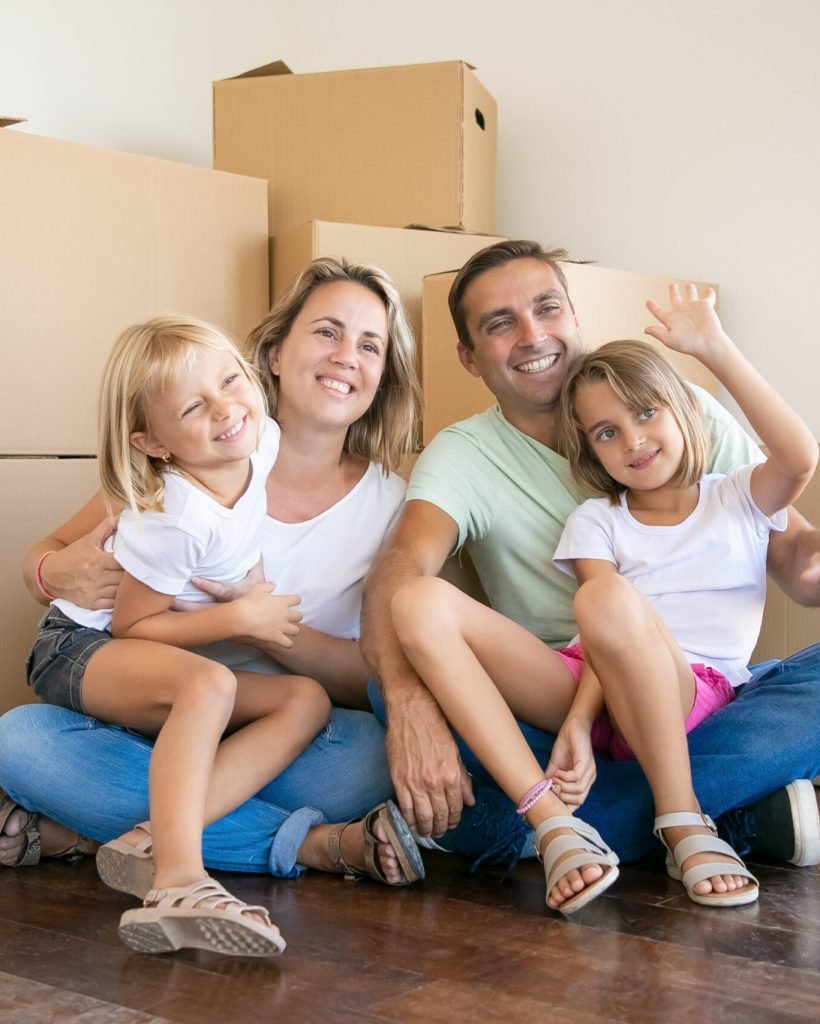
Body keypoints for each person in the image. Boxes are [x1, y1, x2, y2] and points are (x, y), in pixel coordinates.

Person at [361, 239, 820, 884]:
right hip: (561, 695)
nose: (532, 335)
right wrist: (410, 700)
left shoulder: (682, 407)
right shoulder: (475, 459)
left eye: (546, 308)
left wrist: (810, 569)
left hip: (698, 692)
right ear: (467, 357)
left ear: (573, 317)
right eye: (500, 324)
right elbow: (402, 570)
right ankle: (718, 814)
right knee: (396, 672)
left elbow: (796, 538)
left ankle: (545, 825)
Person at [0, 258, 425, 900]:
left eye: (371, 344)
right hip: (142, 707)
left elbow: (372, 676)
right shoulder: (191, 461)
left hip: (263, 731)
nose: (347, 357)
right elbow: (59, 563)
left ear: (384, 371)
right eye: (328, 332)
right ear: (276, 352)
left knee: (369, 754)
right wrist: (47, 569)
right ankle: (308, 845)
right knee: (20, 741)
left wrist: (261, 628)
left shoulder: (394, 504)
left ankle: (95, 833)